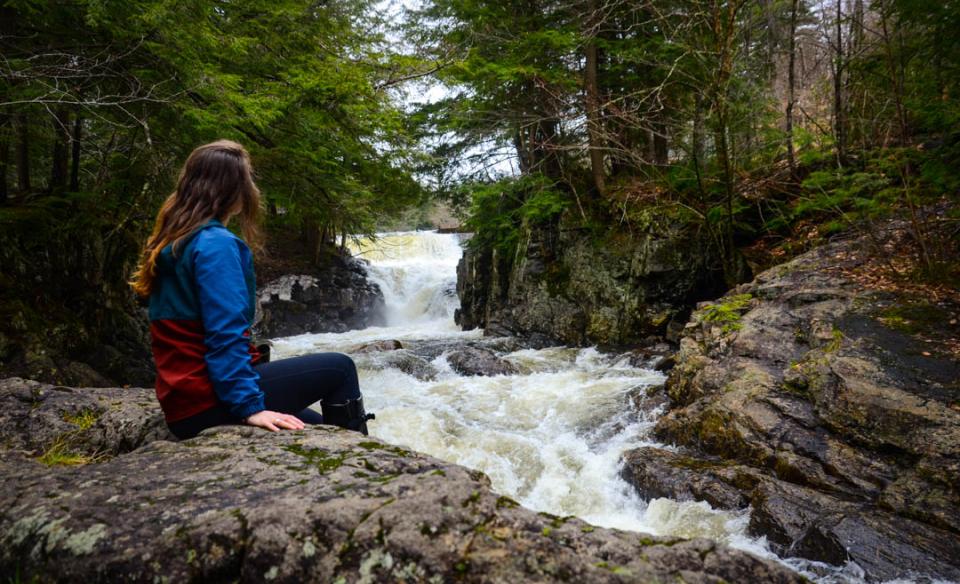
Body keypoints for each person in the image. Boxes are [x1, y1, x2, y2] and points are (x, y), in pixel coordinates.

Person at [130, 139, 373, 440]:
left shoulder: (174, 243)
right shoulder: (215, 246)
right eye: (247, 179)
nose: (252, 188)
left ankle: (347, 448)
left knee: (319, 427)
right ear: (233, 189)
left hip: (183, 403)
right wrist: (249, 407)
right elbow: (224, 334)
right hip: (209, 402)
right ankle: (361, 465)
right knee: (341, 368)